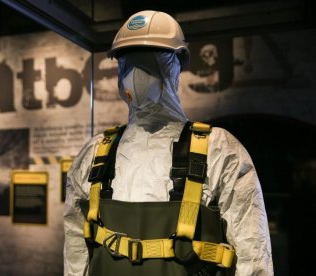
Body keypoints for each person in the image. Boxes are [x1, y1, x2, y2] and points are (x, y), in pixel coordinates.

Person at [64, 10, 273, 276]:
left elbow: (253, 257)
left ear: (174, 67)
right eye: (127, 63)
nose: (135, 73)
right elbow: (75, 248)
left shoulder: (219, 151)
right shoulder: (94, 154)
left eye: (150, 61)